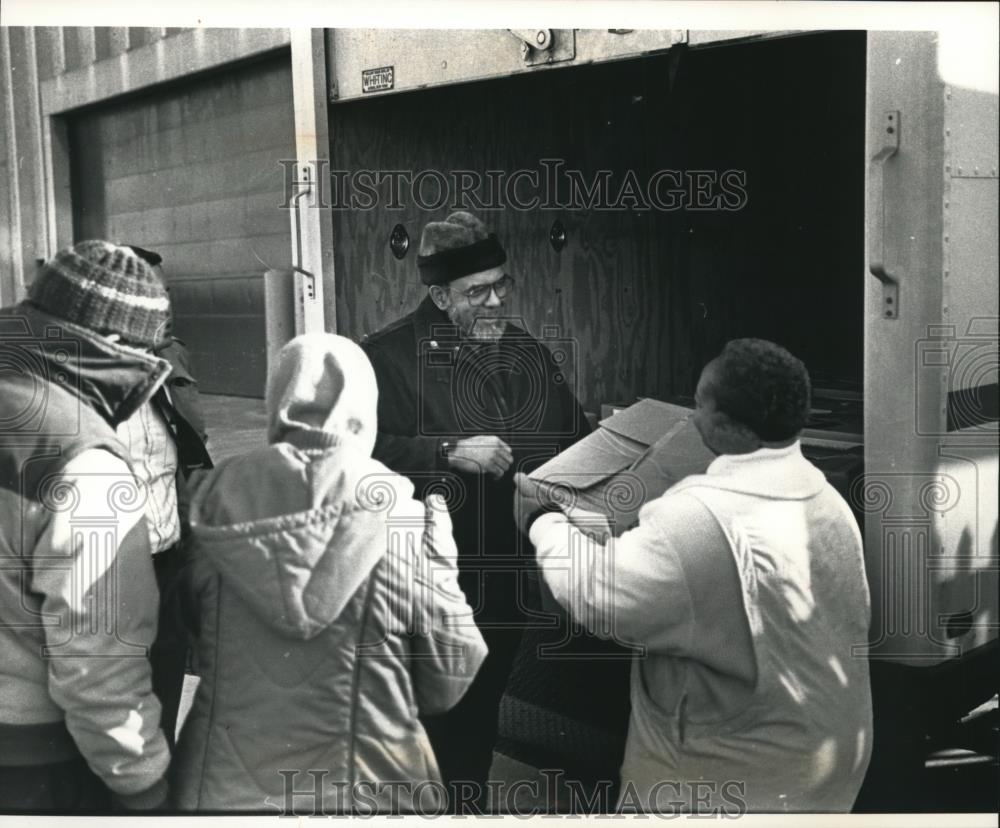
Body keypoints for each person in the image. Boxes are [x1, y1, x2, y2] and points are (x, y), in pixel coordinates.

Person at [519, 338, 874, 813]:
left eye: (698, 405)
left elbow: (595, 595)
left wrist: (539, 519)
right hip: (825, 762)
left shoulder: (698, 516)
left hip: (725, 783)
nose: (689, 417)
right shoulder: (828, 500)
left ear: (725, 425)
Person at [169, 333, 487, 813]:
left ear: (277, 400)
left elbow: (189, 632)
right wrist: (441, 568)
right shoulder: (405, 521)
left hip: (222, 789)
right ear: (366, 408)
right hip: (370, 790)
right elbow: (447, 681)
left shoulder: (211, 508)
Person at [360, 211, 591, 801]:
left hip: (504, 579)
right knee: (427, 731)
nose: (495, 302)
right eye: (477, 292)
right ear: (438, 294)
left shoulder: (527, 352)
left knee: (478, 721)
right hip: (428, 586)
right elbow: (347, 458)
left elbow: (576, 434)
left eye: (502, 285)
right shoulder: (383, 360)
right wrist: (444, 450)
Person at [0, 240, 173, 811]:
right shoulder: (82, 461)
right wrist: (142, 782)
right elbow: (98, 665)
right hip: (29, 761)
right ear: (119, 345)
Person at [119, 244, 212, 747]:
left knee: (167, 682)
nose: (165, 304)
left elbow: (193, 454)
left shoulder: (171, 357)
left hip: (170, 556)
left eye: (166, 292)